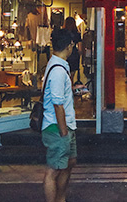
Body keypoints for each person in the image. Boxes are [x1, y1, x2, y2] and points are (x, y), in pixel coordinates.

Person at [42, 28, 78, 202]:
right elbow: (57, 104)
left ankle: (61, 199)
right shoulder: (57, 70)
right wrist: (64, 131)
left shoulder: (59, 65)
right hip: (57, 127)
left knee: (69, 163)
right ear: (69, 45)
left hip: (65, 126)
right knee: (54, 170)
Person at [63, 17, 83, 85]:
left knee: (66, 73)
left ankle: (66, 88)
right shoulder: (77, 34)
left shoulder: (64, 33)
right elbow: (80, 47)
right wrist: (79, 54)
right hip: (74, 54)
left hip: (65, 54)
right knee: (72, 75)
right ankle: (70, 87)